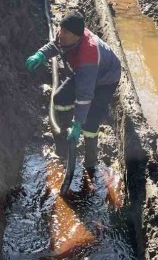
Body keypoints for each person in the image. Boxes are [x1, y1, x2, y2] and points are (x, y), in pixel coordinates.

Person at [26, 12, 122, 171]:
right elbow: (56, 44)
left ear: (77, 36)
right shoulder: (65, 34)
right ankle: (65, 139)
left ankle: (90, 162)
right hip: (84, 73)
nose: (61, 34)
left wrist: (78, 123)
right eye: (60, 30)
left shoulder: (88, 54)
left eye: (65, 32)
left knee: (90, 121)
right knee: (60, 98)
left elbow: (84, 96)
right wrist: (41, 54)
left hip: (106, 79)